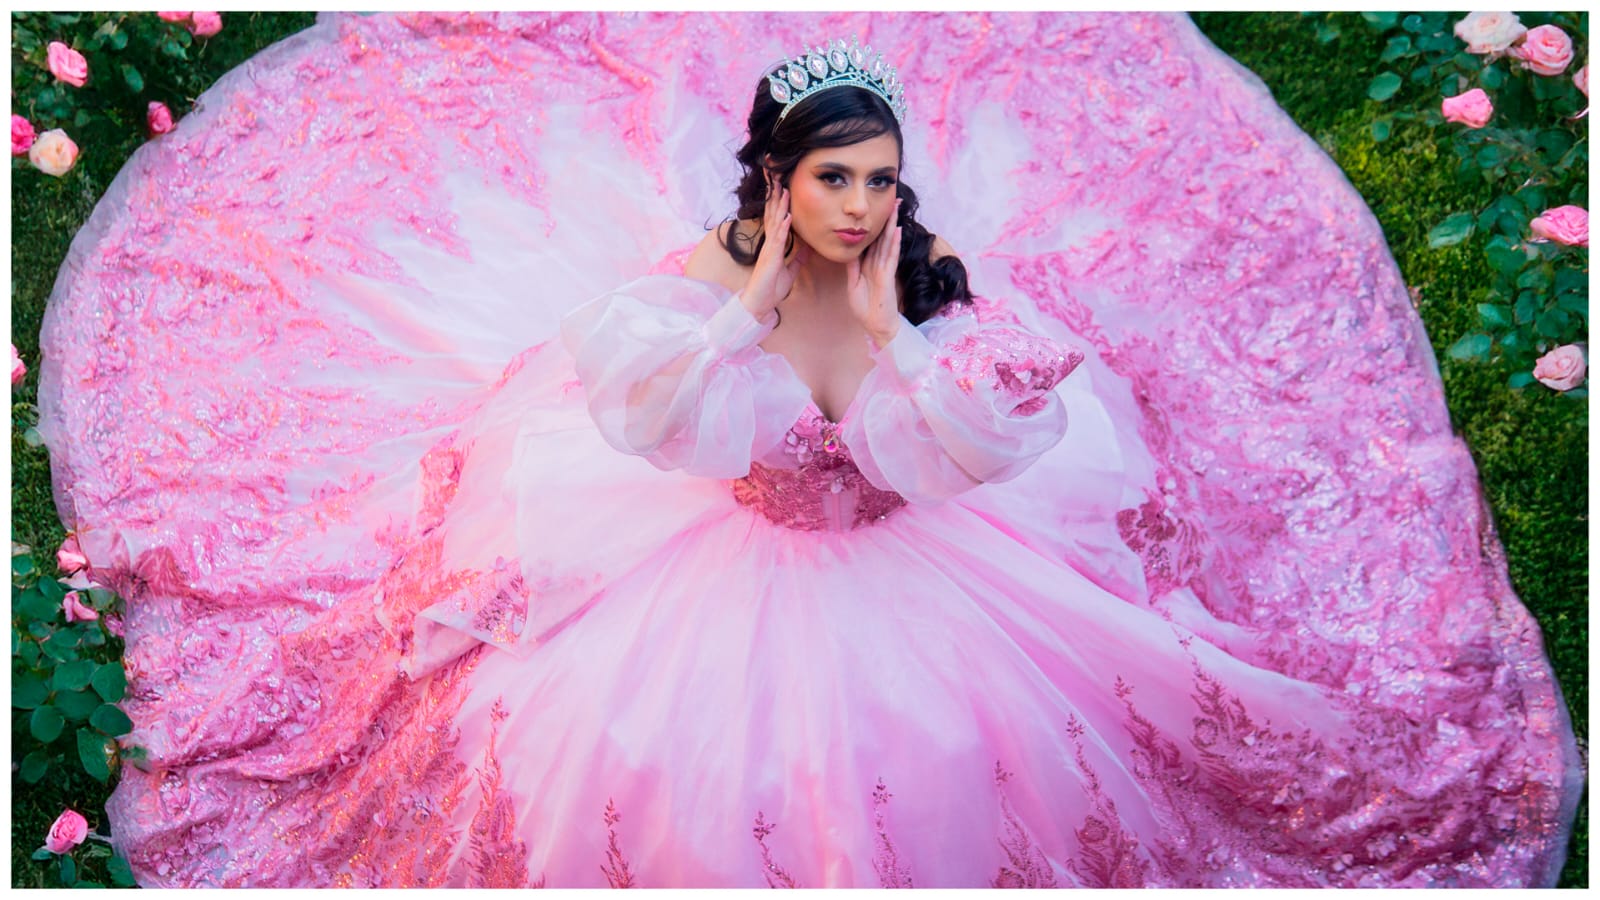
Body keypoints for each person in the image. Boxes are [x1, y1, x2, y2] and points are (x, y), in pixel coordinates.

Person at [35, 13, 1579, 888]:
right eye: (834, 179)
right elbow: (645, 427)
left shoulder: (929, 277)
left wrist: (897, 334)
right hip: (697, 565)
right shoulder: (700, 294)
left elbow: (967, 446)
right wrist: (752, 309)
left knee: (1003, 755)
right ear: (776, 178)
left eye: (880, 180)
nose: (862, 205)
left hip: (929, 570)